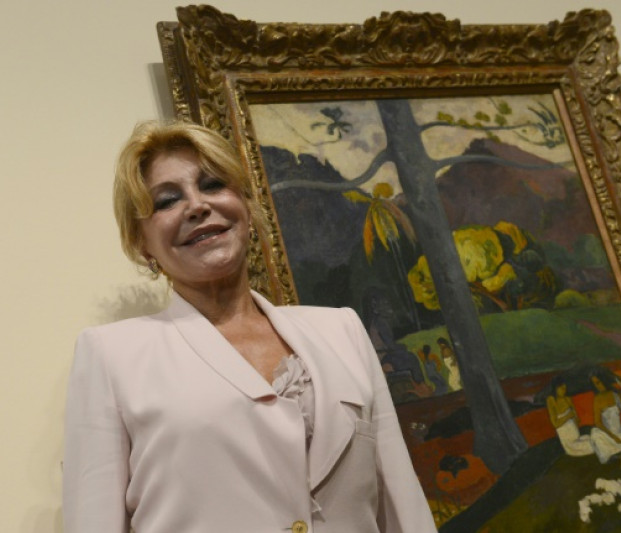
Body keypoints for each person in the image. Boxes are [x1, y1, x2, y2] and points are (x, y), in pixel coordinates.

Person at [63, 121, 438, 533]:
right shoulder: (111, 356)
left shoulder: (341, 330)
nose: (196, 205)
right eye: (167, 200)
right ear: (141, 241)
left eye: (213, 185)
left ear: (246, 203)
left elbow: (404, 506)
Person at [545, 377, 593, 456]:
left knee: (593, 437)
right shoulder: (551, 400)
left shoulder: (568, 398)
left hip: (576, 435)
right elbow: (555, 424)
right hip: (569, 442)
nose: (564, 390)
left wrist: (575, 419)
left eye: (565, 388)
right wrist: (568, 416)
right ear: (556, 388)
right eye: (562, 388)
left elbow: (576, 418)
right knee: (593, 444)